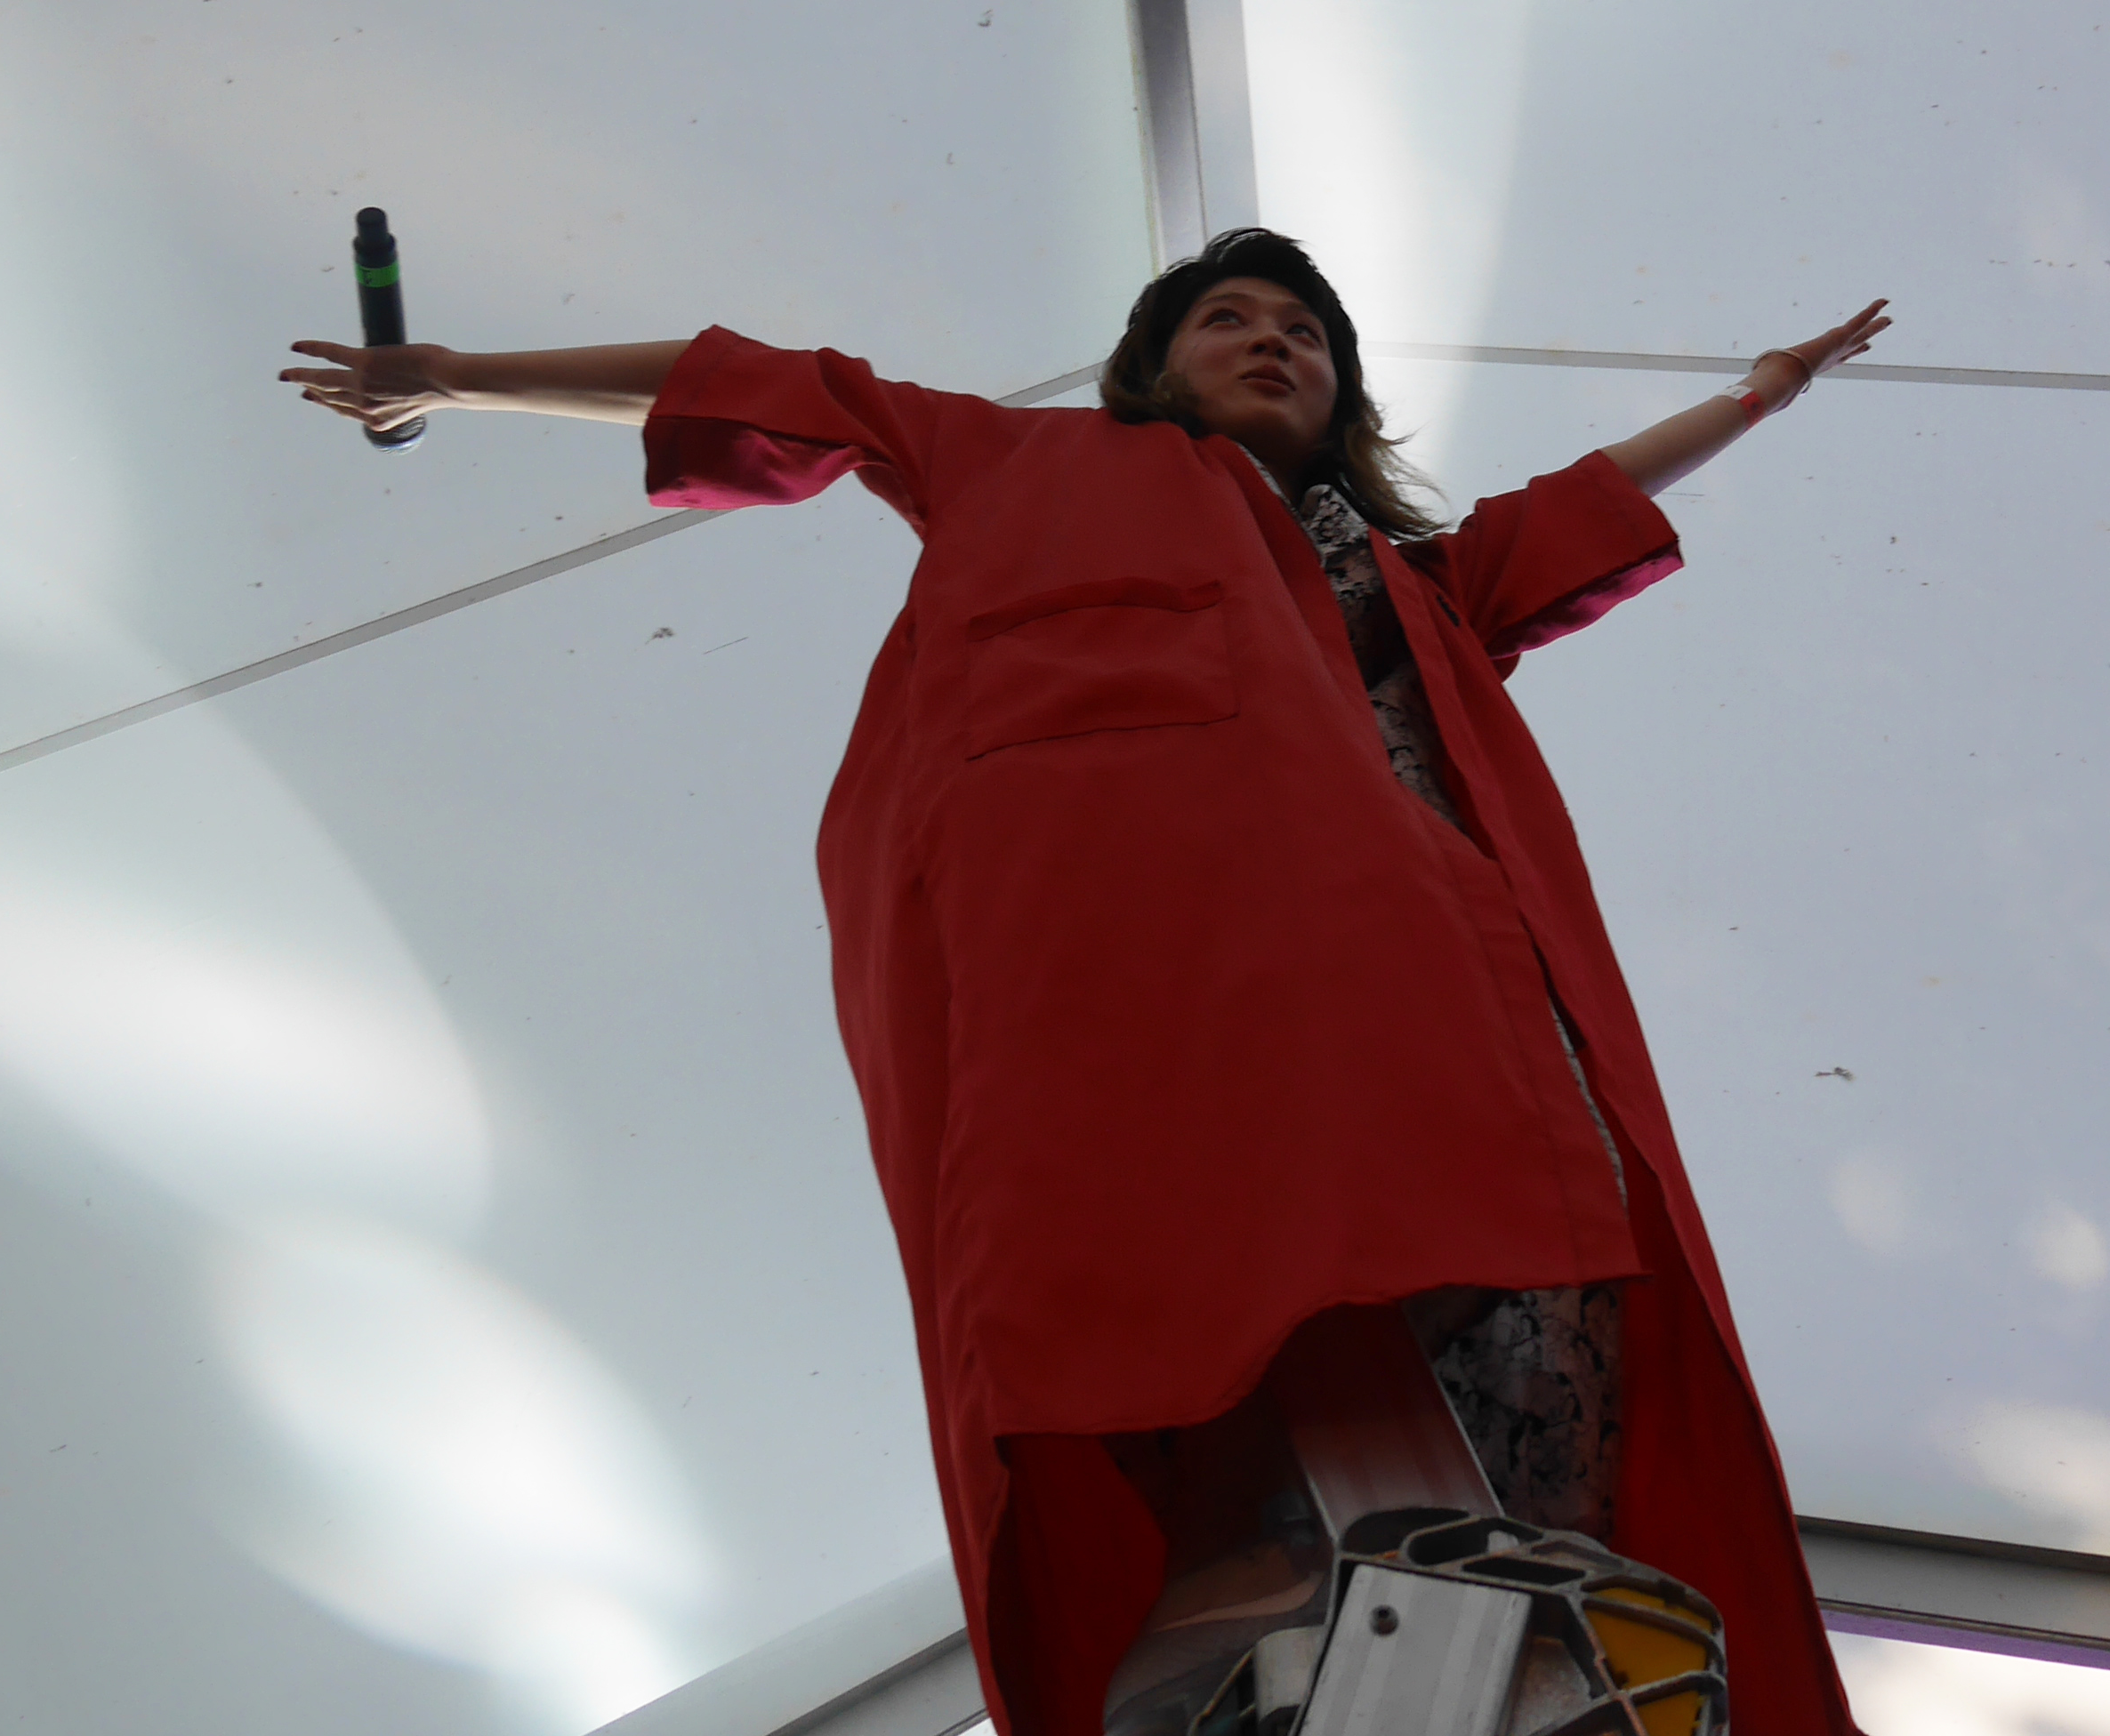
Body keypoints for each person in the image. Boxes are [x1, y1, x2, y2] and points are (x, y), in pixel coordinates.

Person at [285, 229, 1889, 1736]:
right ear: (1153, 365)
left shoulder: (1418, 586)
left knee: (1548, 1279)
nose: (1272, 343)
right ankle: (1252, 1614)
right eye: (1228, 319)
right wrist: (459, 376)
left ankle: (1501, 1627)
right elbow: (773, 385)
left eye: (1306, 332)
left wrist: (1758, 396)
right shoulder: (1019, 465)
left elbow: (1580, 503)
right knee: (1200, 1335)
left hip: (1437, 997)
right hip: (1165, 984)